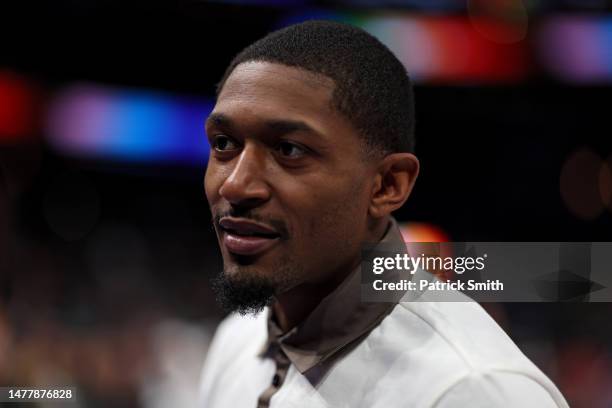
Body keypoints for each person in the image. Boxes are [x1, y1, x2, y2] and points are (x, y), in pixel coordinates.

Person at [198, 20, 568, 408]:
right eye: (224, 144)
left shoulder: (472, 389)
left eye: (289, 150)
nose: (235, 185)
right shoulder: (236, 340)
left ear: (387, 185)